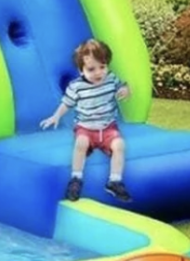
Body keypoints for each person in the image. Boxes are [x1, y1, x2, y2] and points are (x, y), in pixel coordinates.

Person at [40, 38, 132, 203]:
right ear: (81, 70)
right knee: (81, 143)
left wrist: (125, 90)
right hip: (86, 128)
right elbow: (66, 103)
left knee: (119, 145)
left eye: (102, 67)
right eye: (91, 69)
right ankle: (76, 178)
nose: (98, 73)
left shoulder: (111, 79)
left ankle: (115, 181)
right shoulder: (76, 87)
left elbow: (122, 86)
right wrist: (56, 116)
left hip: (108, 128)